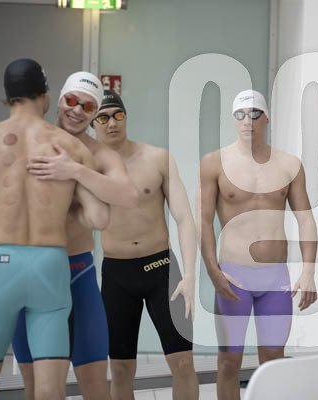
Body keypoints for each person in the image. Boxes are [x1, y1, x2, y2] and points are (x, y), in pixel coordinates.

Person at [0, 58, 109, 400]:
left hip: (0, 269)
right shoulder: (72, 148)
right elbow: (99, 218)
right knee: (49, 392)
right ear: (46, 97)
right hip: (51, 268)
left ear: (7, 96)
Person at [12, 72, 138, 400]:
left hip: (76, 272)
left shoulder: (100, 154)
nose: (77, 110)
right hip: (30, 273)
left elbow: (128, 195)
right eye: (71, 101)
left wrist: (75, 170)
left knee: (96, 388)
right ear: (59, 100)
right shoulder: (28, 141)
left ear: (94, 113)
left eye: (88, 106)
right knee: (36, 390)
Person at [198, 89, 318, 400]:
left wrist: (308, 272)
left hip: (275, 278)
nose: (247, 121)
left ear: (267, 119)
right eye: (240, 115)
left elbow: (306, 219)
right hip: (233, 276)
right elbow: (204, 222)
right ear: (233, 119)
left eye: (254, 114)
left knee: (273, 361)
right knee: (229, 361)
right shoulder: (213, 163)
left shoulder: (289, 165)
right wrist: (213, 271)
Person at [93, 90, 199, 400]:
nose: (112, 123)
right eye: (103, 118)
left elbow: (184, 219)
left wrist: (190, 276)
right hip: (117, 275)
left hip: (161, 269)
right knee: (120, 370)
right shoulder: (89, 168)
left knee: (183, 363)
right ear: (93, 124)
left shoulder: (157, 158)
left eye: (118, 115)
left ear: (126, 117)